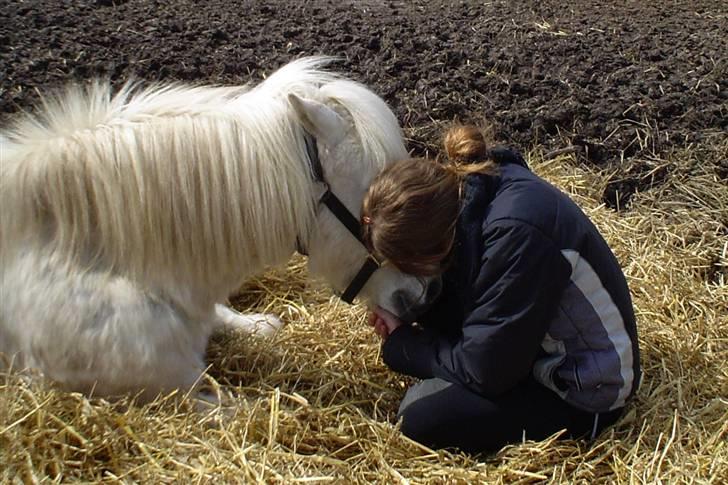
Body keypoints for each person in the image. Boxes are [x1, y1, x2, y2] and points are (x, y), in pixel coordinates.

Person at [362, 124, 640, 454]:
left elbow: (486, 371)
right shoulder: (475, 190)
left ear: (435, 247)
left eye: (409, 268)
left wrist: (403, 346)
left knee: (419, 417)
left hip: (587, 386)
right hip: (536, 349)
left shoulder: (515, 236)